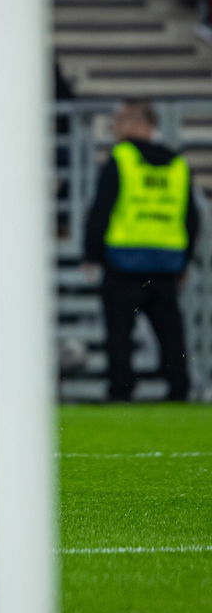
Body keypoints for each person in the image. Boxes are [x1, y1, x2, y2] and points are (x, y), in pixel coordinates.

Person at [82, 99, 200, 402]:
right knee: (171, 334)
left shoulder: (122, 158)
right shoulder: (177, 163)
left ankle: (121, 391)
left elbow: (102, 208)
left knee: (119, 333)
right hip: (165, 262)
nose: (116, 129)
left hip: (124, 260)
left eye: (121, 122)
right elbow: (191, 217)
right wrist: (185, 261)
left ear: (138, 124)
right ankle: (179, 388)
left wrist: (92, 254)